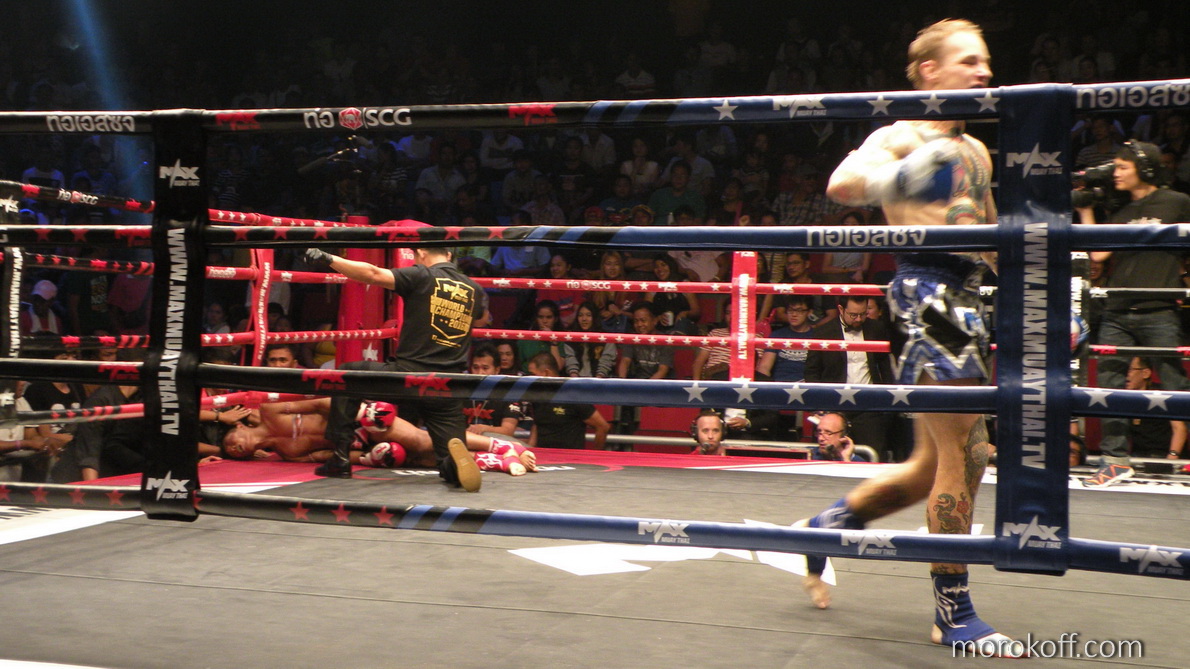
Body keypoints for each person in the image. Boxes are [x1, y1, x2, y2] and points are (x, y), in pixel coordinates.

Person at [803, 19, 1021, 656]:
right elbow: (841, 185)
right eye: (969, 61)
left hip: (966, 294)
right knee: (967, 453)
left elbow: (987, 238)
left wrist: (1046, 293)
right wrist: (901, 175)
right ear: (930, 70)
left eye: (986, 62)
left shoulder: (976, 151)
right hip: (926, 291)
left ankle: (825, 527)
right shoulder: (900, 134)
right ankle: (953, 613)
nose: (984, 73)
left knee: (933, 465)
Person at [304, 246, 488, 492]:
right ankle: (452, 466)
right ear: (450, 256)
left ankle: (340, 457)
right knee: (448, 452)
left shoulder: (422, 275)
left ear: (421, 253)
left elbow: (372, 273)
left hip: (407, 377)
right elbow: (481, 318)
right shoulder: (473, 288)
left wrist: (329, 258)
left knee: (346, 375)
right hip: (448, 386)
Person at [1076, 140, 1190, 485]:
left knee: (1176, 384)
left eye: (1123, 167)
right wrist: (1085, 210)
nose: (1116, 173)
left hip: (1159, 308)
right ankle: (1114, 460)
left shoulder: (1176, 202)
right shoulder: (1122, 211)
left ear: (1145, 168)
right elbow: (1098, 256)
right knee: (1109, 384)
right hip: (1117, 310)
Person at [803, 295, 896, 458]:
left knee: (874, 454)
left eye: (863, 314)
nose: (859, 319)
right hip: (834, 405)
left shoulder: (877, 328)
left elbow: (885, 366)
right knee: (829, 456)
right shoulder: (823, 332)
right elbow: (811, 372)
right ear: (841, 309)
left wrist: (886, 399)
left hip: (868, 405)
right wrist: (818, 406)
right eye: (853, 315)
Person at [526, 353, 609, 450]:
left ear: (546, 373)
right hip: (543, 455)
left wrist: (595, 455)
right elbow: (537, 425)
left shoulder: (572, 395)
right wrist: (530, 449)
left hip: (570, 457)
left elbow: (603, 426)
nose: (529, 379)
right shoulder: (537, 396)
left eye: (533, 374)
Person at [1119, 357, 1187, 460]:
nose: (1126, 375)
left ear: (1145, 373)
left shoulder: (1162, 395)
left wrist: (1172, 457)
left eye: (1131, 370)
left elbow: (1180, 428)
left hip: (1163, 455)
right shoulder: (1124, 397)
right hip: (1138, 456)